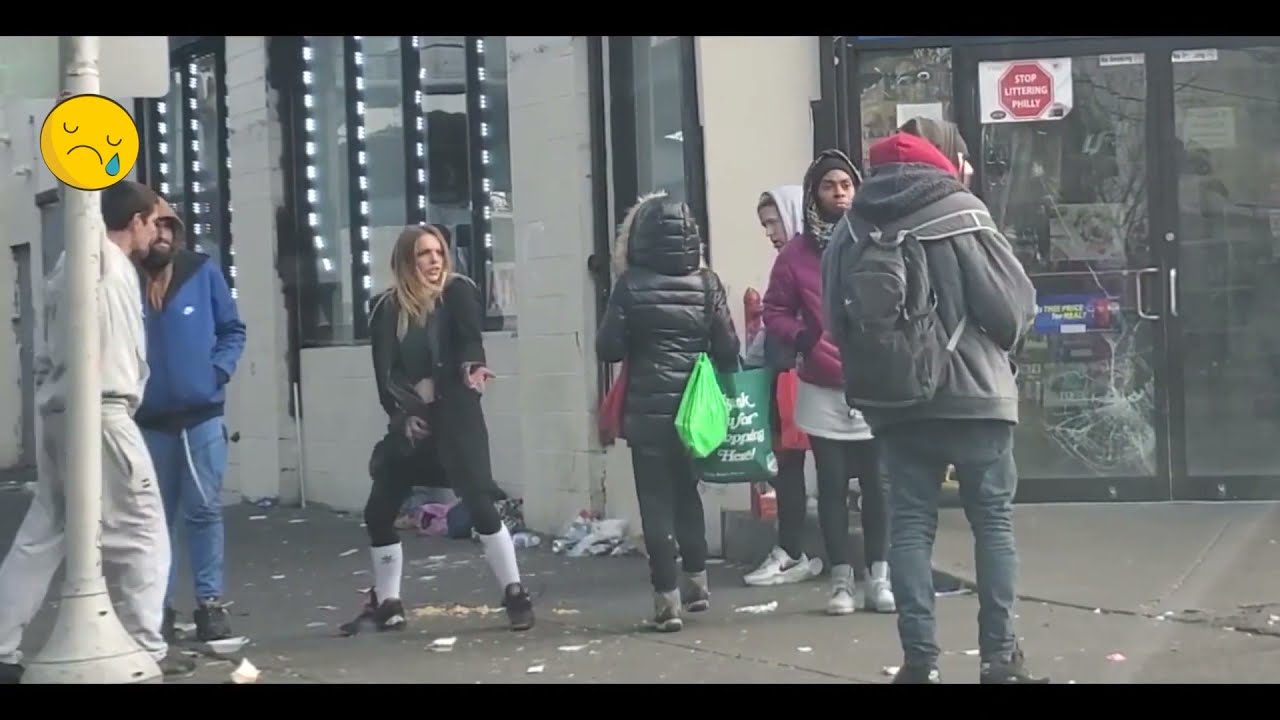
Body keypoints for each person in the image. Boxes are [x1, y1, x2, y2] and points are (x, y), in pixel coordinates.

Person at [831, 125, 1046, 683]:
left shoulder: (854, 225)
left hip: (900, 403)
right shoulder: (963, 213)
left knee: (909, 527)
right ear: (945, 157)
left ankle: (920, 662)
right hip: (977, 395)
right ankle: (1000, 658)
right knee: (992, 523)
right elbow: (1011, 310)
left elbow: (838, 319)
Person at [0, 181, 195, 682]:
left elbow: (47, 352)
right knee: (144, 532)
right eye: (154, 221)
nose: (159, 231)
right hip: (102, 412)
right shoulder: (105, 263)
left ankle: (1, 642)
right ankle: (144, 646)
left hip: (62, 410)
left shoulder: (71, 266)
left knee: (47, 530)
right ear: (134, 223)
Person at [347, 224, 534, 634]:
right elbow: (386, 374)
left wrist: (468, 371)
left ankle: (515, 593)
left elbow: (470, 341)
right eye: (423, 255)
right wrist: (403, 414)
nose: (433, 261)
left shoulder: (458, 292)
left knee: (482, 506)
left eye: (438, 253)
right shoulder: (386, 309)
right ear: (405, 262)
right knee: (379, 512)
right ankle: (389, 601)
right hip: (414, 426)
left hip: (457, 418)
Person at [596, 192, 739, 632]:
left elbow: (608, 347)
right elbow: (728, 348)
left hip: (647, 410)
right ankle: (697, 579)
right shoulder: (707, 283)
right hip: (694, 409)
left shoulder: (631, 286)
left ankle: (666, 600)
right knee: (687, 494)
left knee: (655, 503)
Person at [763, 150, 894, 616]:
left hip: (873, 383)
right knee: (833, 488)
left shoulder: (876, 239)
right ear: (813, 194)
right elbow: (773, 309)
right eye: (828, 186)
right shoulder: (796, 254)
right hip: (821, 382)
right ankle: (841, 581)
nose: (839, 193)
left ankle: (879, 577)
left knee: (879, 487)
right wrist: (802, 337)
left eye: (846, 185)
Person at [135, 198, 246, 644]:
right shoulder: (126, 277)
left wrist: (217, 372)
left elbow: (232, 329)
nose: (161, 235)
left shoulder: (202, 272)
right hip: (148, 419)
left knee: (203, 510)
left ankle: (209, 604)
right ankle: (156, 607)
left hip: (201, 414)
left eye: (169, 226)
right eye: (154, 226)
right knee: (151, 519)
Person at [742, 185, 822, 588]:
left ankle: (794, 551)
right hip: (787, 373)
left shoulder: (804, 264)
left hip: (800, 373)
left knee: (793, 463)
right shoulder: (790, 264)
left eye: (774, 221)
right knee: (787, 465)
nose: (770, 231)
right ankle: (796, 550)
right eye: (765, 225)